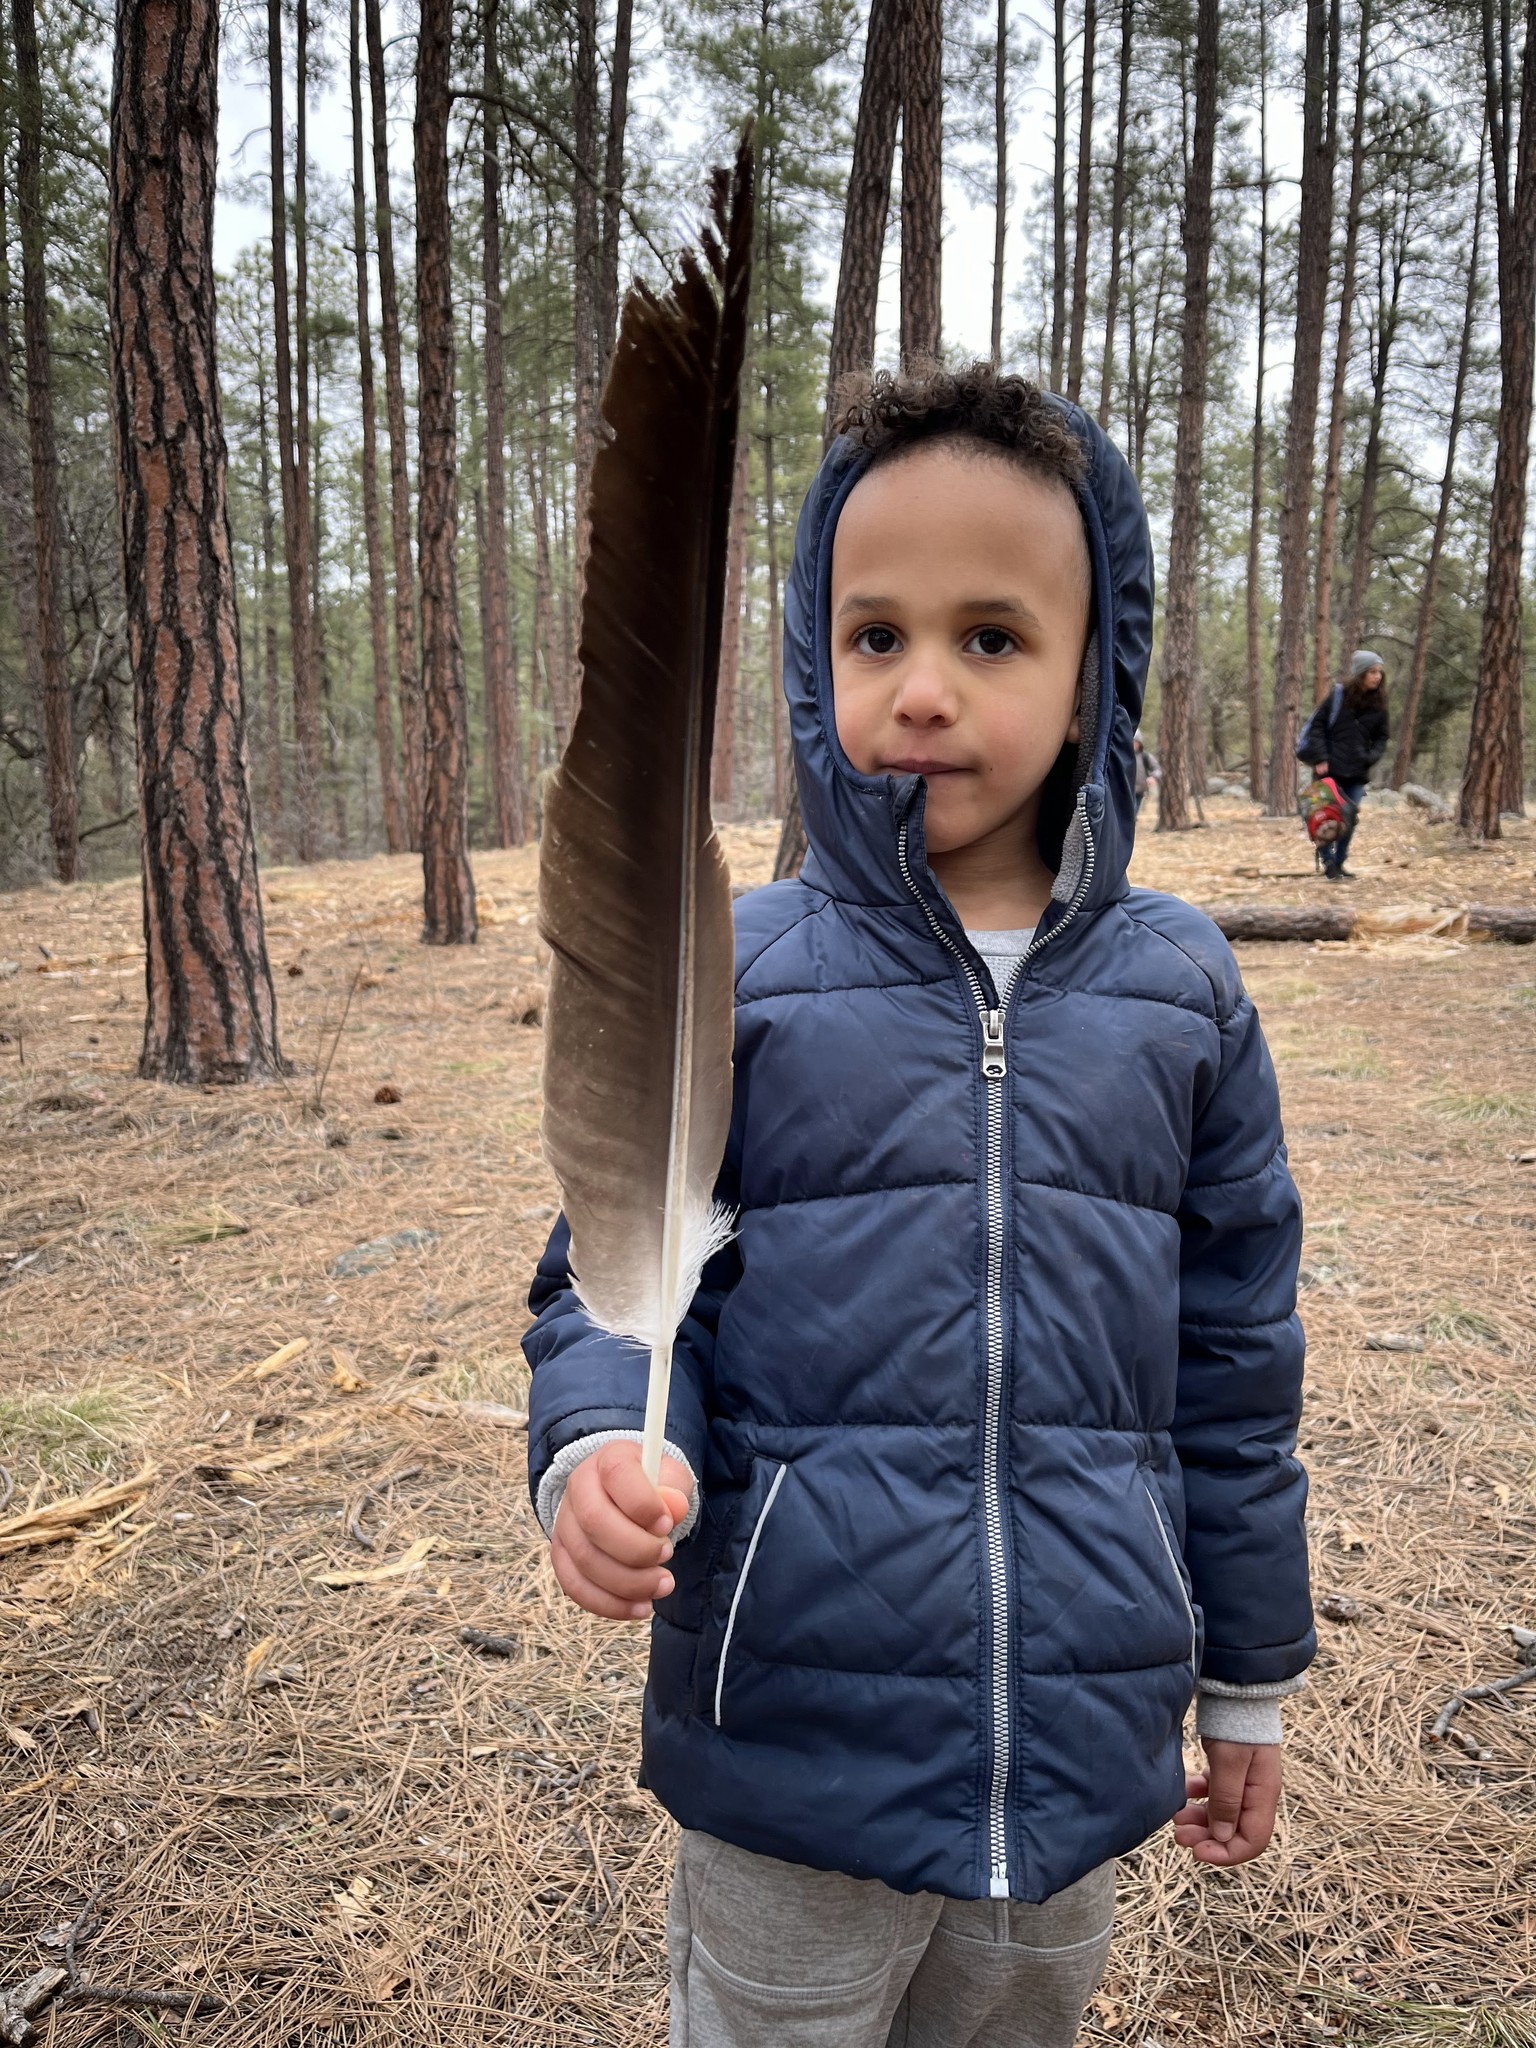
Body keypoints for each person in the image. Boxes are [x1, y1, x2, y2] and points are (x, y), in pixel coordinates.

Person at [524, 364, 1313, 2048]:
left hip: (1079, 1763)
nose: (925, 689)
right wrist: (596, 1445)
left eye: (992, 637)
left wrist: (1242, 1677)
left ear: (1095, 669)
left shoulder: (1180, 990)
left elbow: (1238, 1375)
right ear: (818, 663)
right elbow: (613, 1283)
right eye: (875, 635)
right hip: (788, 1752)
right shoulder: (749, 975)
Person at [1296, 651, 1390, 880]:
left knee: (1349, 818)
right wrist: (1320, 759)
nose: (1377, 677)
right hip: (1328, 770)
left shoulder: (1379, 704)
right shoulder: (1338, 696)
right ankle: (1328, 861)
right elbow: (1317, 727)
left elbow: (1382, 737)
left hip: (1357, 773)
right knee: (1323, 815)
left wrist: (1370, 757)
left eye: (1379, 672)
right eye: (1372, 672)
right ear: (1360, 674)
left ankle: (1340, 862)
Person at [1132, 729, 1160, 815]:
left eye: (1136, 742)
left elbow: (1157, 769)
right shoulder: (1122, 757)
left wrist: (1153, 777)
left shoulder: (1145, 757)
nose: (1134, 744)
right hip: (1124, 792)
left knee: (1133, 814)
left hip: (1139, 792)